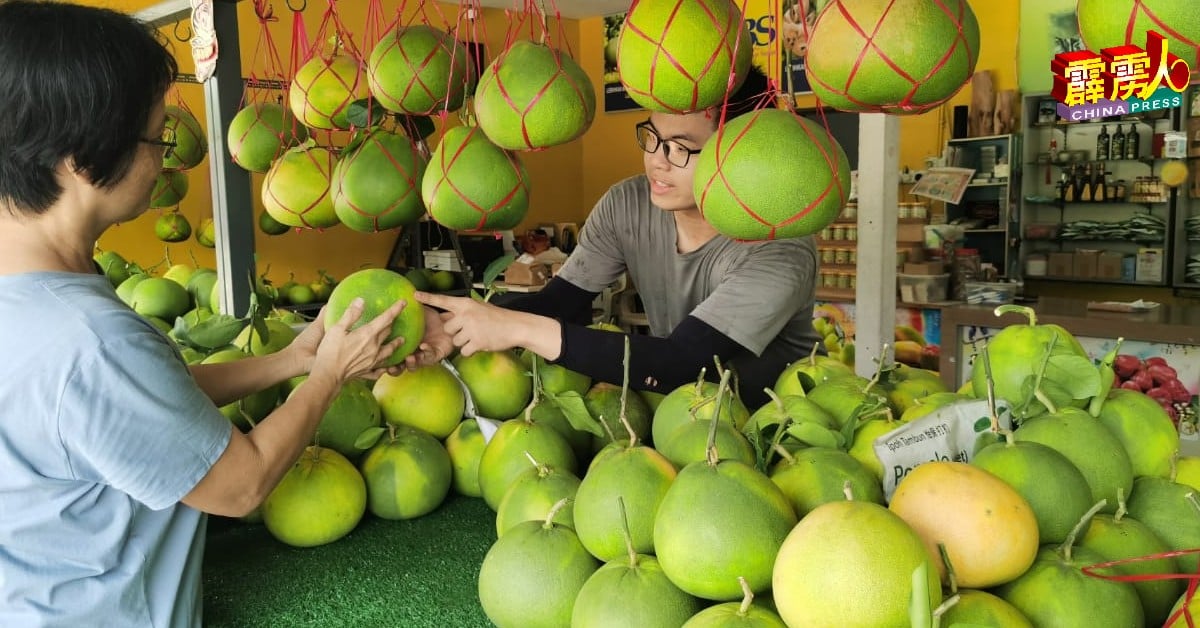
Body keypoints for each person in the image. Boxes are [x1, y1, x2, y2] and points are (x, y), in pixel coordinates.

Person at [0, 2, 449, 625]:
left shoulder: (36, 296)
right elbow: (241, 486)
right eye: (156, 135)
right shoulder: (91, 341)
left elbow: (143, 401)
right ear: (81, 157)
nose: (163, 159)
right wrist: (328, 377)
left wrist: (294, 358)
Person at [418, 66, 821, 410]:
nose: (656, 161)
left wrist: (519, 329)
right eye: (653, 138)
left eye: (681, 148)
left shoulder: (780, 247)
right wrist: (452, 323)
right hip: (677, 418)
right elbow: (562, 302)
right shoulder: (628, 204)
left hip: (774, 429)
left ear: (740, 154)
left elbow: (681, 361)